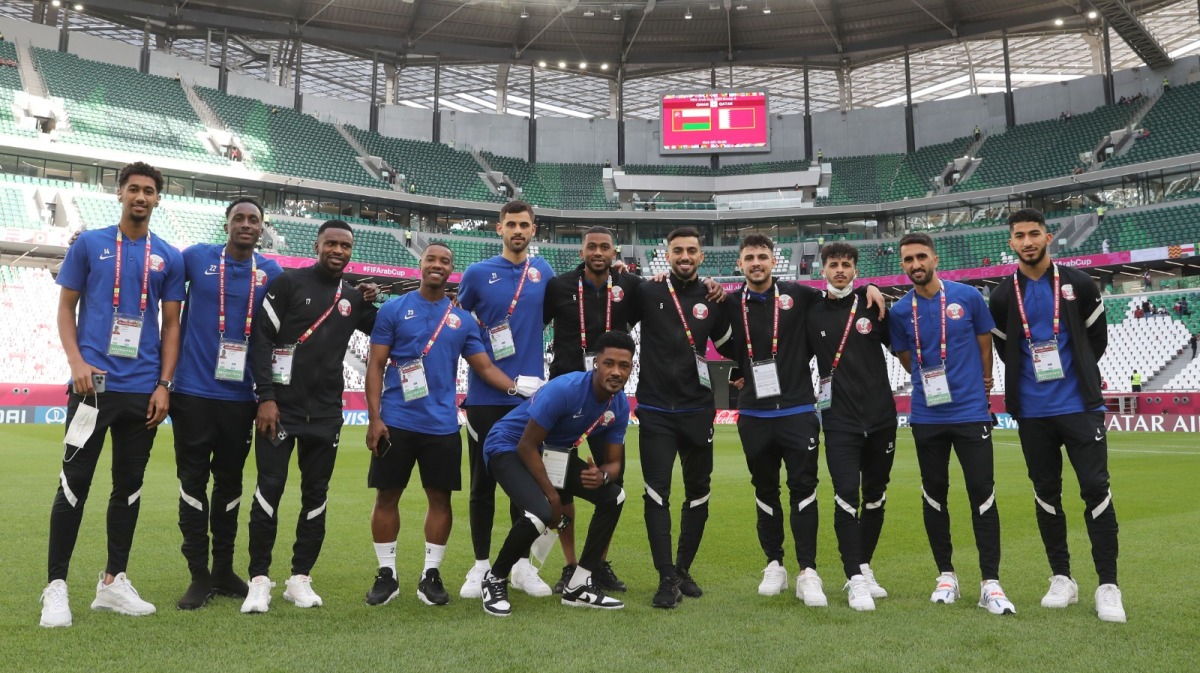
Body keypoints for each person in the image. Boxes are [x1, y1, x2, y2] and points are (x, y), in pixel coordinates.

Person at [41, 162, 186, 628]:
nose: (141, 197)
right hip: (91, 389)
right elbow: (65, 309)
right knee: (72, 486)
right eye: (133, 189)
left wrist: (165, 384)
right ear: (119, 193)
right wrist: (77, 362)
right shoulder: (89, 244)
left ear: (158, 199)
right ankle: (56, 588)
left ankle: (112, 583)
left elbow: (171, 325)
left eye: (149, 191)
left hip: (142, 393)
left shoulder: (168, 256)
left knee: (128, 489)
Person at [723, 234, 883, 607]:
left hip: (797, 410)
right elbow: (717, 338)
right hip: (753, 413)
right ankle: (774, 564)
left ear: (774, 259)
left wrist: (871, 284)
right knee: (764, 492)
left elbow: (840, 292)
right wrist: (736, 371)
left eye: (763, 256)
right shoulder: (729, 303)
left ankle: (807, 572)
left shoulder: (801, 294)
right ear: (740, 263)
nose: (757, 262)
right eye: (750, 257)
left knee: (803, 491)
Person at [362, 242, 517, 607]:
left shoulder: (462, 320)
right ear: (421, 264)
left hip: (442, 426)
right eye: (431, 258)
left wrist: (517, 388)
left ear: (451, 271)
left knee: (440, 499)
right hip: (396, 422)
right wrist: (374, 418)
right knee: (387, 497)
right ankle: (387, 574)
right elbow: (375, 365)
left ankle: (430, 574)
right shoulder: (394, 310)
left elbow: (484, 367)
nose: (437, 265)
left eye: (445, 261)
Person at [990, 208, 1125, 622]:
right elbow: (1004, 349)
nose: (1027, 241)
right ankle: (1062, 578)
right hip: (1031, 414)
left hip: (1080, 407)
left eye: (1034, 234)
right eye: (1019, 235)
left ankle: (1108, 585)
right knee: (1046, 495)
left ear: (1049, 238)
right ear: (1011, 242)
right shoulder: (999, 296)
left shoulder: (1079, 283)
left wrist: (1078, 374)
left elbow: (1095, 342)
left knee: (1095, 491)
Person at [241, 220, 379, 613]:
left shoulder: (351, 298)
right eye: (331, 243)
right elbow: (262, 339)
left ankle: (300, 578)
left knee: (315, 497)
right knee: (269, 491)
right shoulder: (287, 283)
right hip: (279, 410)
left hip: (325, 414)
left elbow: (384, 331)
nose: (338, 250)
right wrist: (265, 398)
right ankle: (259, 580)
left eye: (345, 245)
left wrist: (372, 300)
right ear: (317, 245)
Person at [889, 232, 1015, 616]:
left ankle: (990, 582)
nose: (915, 265)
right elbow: (908, 359)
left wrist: (986, 380)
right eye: (908, 259)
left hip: (971, 412)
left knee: (982, 493)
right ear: (903, 265)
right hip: (927, 415)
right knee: (934, 495)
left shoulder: (968, 297)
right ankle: (946, 574)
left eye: (921, 257)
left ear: (935, 259)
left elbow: (984, 343)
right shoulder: (899, 312)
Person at [169, 197, 284, 610]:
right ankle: (198, 574)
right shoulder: (196, 258)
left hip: (241, 399)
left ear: (262, 227)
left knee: (231, 485)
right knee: (193, 483)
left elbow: (301, 307)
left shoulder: (271, 272)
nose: (247, 224)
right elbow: (155, 271)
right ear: (227, 224)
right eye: (239, 217)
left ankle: (222, 568)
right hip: (193, 395)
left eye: (254, 219)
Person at [478, 331, 635, 616]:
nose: (616, 371)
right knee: (540, 511)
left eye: (624, 366)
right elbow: (527, 446)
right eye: (609, 363)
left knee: (615, 496)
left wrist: (603, 477)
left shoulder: (620, 405)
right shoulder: (565, 388)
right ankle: (494, 578)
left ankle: (579, 584)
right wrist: (552, 496)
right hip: (508, 445)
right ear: (595, 363)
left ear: (631, 368)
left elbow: (614, 464)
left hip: (550, 452)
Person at [626, 227, 732, 609]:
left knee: (699, 492)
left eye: (691, 250)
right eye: (677, 251)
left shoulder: (713, 297)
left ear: (701, 256)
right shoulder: (649, 291)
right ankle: (665, 577)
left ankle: (683, 567)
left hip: (697, 410)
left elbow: (731, 349)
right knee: (657, 493)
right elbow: (618, 307)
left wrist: (731, 390)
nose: (684, 256)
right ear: (666, 255)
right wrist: (623, 270)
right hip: (655, 410)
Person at [457, 200, 556, 600]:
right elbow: (458, 327)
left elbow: (558, 311)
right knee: (482, 486)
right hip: (484, 397)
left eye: (525, 225)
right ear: (499, 228)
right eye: (511, 224)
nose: (518, 230)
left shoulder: (544, 272)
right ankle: (481, 565)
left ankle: (520, 566)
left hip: (530, 400)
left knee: (526, 486)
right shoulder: (478, 274)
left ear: (535, 230)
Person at [542, 226, 643, 594]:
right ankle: (570, 566)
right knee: (562, 486)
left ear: (614, 251)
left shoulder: (629, 287)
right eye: (591, 247)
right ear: (581, 251)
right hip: (566, 398)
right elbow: (531, 325)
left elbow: (663, 302)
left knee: (610, 480)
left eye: (605, 247)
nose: (598, 252)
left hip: (607, 399)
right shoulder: (558, 287)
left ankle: (596, 563)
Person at [806, 242, 896, 611]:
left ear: (856, 269)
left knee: (875, 497)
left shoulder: (873, 306)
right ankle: (856, 579)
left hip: (881, 419)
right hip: (839, 420)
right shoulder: (812, 314)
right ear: (823, 270)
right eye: (833, 264)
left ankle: (862, 566)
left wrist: (869, 289)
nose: (839, 270)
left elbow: (903, 349)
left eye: (846, 264)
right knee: (846, 495)